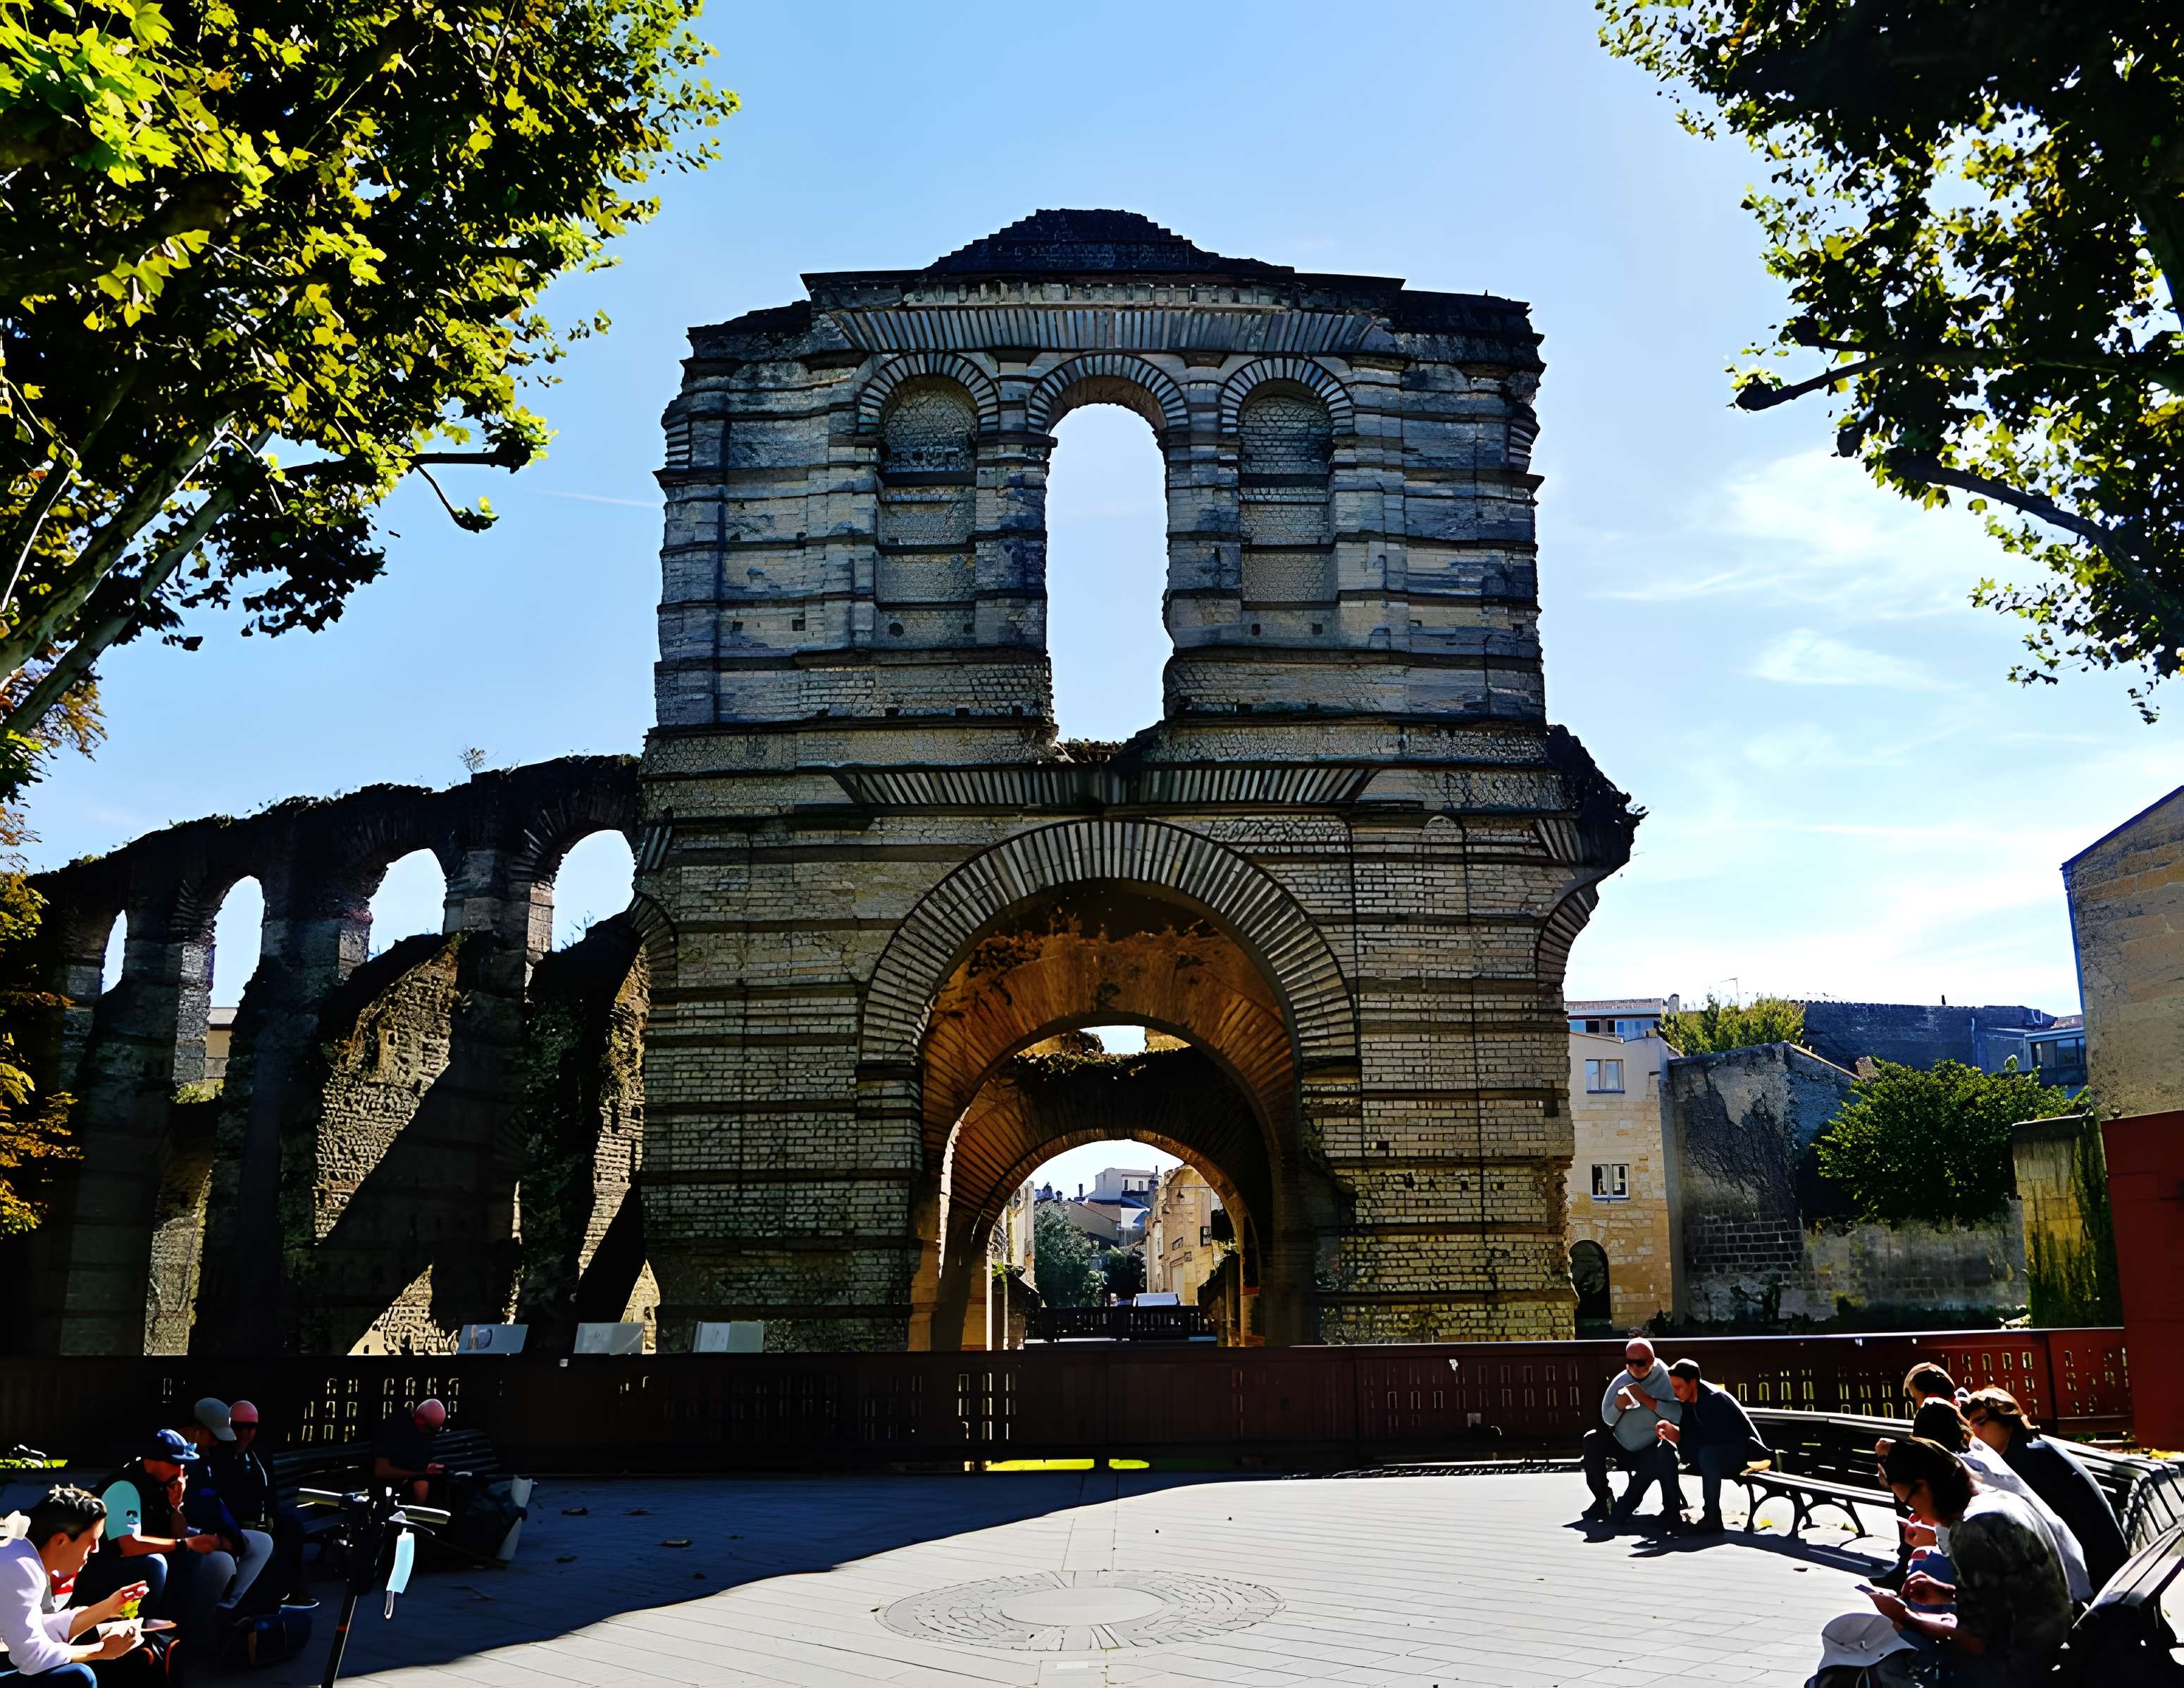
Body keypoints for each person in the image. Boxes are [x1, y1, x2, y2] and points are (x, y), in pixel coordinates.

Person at [1863, 1436, 2072, 1687]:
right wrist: (1947, 1593)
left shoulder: (1972, 1531)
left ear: (1925, 1488)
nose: (1914, 1514)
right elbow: (2008, 1597)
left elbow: (1976, 1643)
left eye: (1908, 1502)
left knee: (1882, 1661)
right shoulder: (1999, 1500)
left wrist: (1906, 1617)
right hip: (2048, 1644)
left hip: (2019, 1670)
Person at [1908, 1399, 2090, 1603]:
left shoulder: (1956, 1473)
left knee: (1926, 1572)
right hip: (2070, 1573)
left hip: (2043, 1599)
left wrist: (1932, 1538)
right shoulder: (1981, 1456)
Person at [78, 1430, 235, 1664]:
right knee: (157, 1563)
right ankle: (147, 1637)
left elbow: (178, 1534)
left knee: (194, 1559)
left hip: (130, 1564)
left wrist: (176, 1506)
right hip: (96, 1571)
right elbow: (129, 1545)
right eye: (178, 1464)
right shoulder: (125, 1485)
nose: (182, 1472)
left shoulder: (163, 1483)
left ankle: (187, 1638)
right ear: (157, 1460)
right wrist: (185, 1545)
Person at [1963, 1386, 2130, 1594]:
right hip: (2109, 1569)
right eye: (1972, 1426)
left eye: (1981, 1422)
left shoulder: (2027, 1461)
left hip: (2099, 1577)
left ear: (2007, 1418)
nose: (1975, 1433)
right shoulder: (2033, 1449)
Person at [0, 1488, 145, 1685]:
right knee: (79, 1676)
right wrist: (100, 1651)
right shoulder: (22, 1567)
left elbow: (30, 1631)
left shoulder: (19, 1554)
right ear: (61, 1540)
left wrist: (109, 1607)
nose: (96, 1550)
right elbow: (33, 1657)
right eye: (91, 1542)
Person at [206, 1402, 310, 1610]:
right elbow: (219, 1497)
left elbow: (269, 1489)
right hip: (234, 1518)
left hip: (260, 1516)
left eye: (250, 1427)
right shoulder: (219, 1455)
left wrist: (270, 1515)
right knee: (254, 1540)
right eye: (238, 1426)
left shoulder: (257, 1453)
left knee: (292, 1527)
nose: (244, 1432)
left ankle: (289, 1591)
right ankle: (239, 1598)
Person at [173, 1401, 273, 1615]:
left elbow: (213, 1502)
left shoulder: (203, 1456)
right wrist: (223, 1538)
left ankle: (228, 1606)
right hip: (180, 1538)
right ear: (197, 1431)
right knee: (223, 1561)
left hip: (204, 1532)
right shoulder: (180, 1457)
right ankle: (203, 1613)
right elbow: (198, 1509)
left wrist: (233, 1536)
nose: (216, 1443)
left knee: (262, 1542)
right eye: (213, 1436)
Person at [1656, 1357, 1769, 1537]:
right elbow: (1691, 1436)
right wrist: (1672, 1433)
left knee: (1708, 1454)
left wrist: (1684, 1439)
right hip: (1717, 1452)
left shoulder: (1714, 1400)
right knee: (1666, 1450)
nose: (1675, 1392)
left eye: (1678, 1387)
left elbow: (1718, 1438)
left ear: (1692, 1382)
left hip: (1746, 1454)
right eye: (1673, 1387)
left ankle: (1712, 1518)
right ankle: (1671, 1512)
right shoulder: (1689, 1402)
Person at [1579, 1337, 1683, 1525]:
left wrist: (1646, 1399)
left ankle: (1650, 1509)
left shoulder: (1667, 1379)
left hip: (1652, 1447)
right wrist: (1618, 1405)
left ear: (1651, 1360)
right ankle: (1603, 1498)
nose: (1635, 1367)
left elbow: (1678, 1414)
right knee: (1592, 1440)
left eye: (1640, 1362)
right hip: (1622, 1444)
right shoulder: (1622, 1380)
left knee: (1661, 1452)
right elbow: (1608, 1418)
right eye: (1630, 1362)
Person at [371, 1398, 447, 1504]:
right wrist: (421, 1472)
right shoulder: (394, 1429)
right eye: (431, 1430)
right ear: (420, 1422)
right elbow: (381, 1471)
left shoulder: (420, 1434)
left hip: (409, 1479)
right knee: (421, 1484)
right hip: (387, 1487)